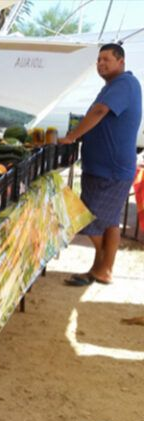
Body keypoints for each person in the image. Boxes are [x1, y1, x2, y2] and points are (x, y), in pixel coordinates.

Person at [60, 43, 142, 286]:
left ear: (121, 62)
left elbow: (99, 112)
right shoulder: (115, 86)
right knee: (109, 222)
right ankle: (103, 270)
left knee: (88, 218)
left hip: (110, 170)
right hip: (107, 168)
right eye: (98, 60)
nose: (101, 64)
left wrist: (72, 136)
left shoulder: (124, 84)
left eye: (106, 59)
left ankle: (102, 266)